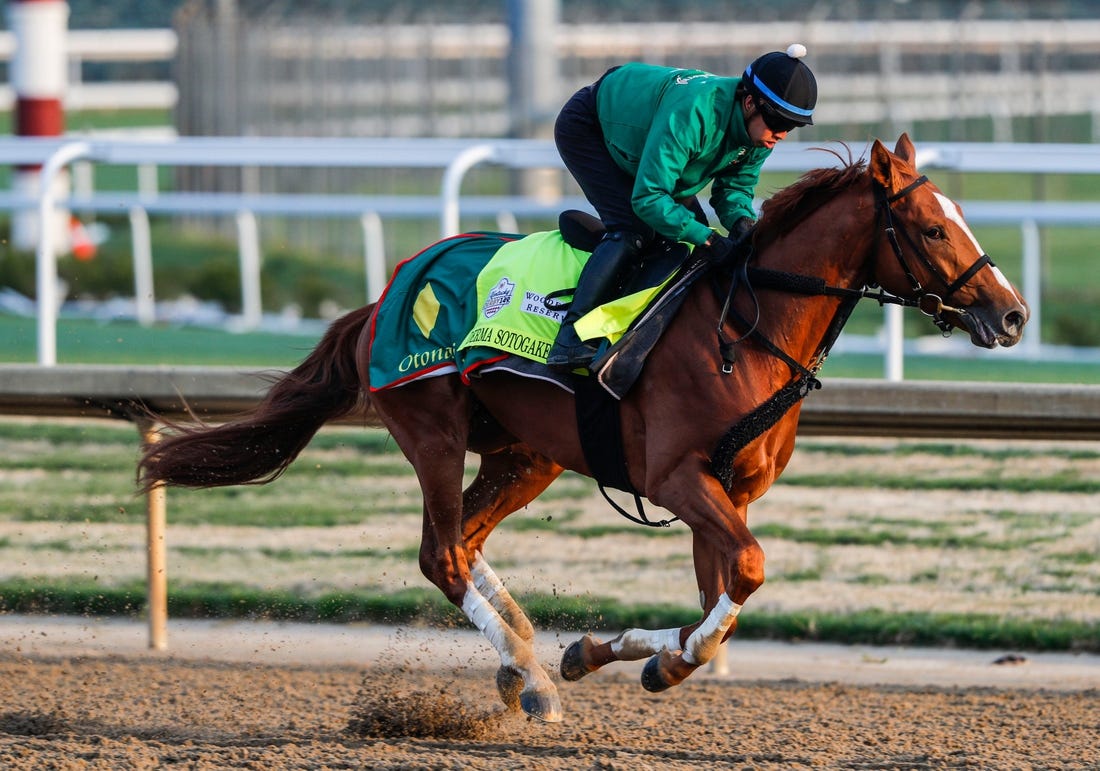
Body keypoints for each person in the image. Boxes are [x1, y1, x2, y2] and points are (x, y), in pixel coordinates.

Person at [546, 44, 818, 372]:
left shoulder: (760, 132)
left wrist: (743, 225)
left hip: (656, 149)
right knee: (634, 230)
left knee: (692, 253)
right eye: (778, 122)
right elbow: (649, 197)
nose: (783, 134)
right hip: (591, 127)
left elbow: (733, 190)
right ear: (749, 102)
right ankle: (571, 338)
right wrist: (709, 238)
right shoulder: (695, 113)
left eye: (792, 126)